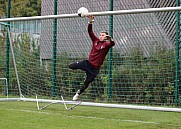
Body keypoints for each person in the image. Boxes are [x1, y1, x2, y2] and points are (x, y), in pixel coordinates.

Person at [69, 15, 115, 100]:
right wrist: (90, 22)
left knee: (86, 83)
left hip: (94, 69)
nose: (101, 36)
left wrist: (110, 39)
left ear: (106, 37)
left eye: (103, 35)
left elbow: (112, 44)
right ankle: (80, 69)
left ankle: (78, 93)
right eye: (100, 35)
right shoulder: (95, 40)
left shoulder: (106, 45)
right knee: (71, 66)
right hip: (87, 63)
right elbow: (90, 31)